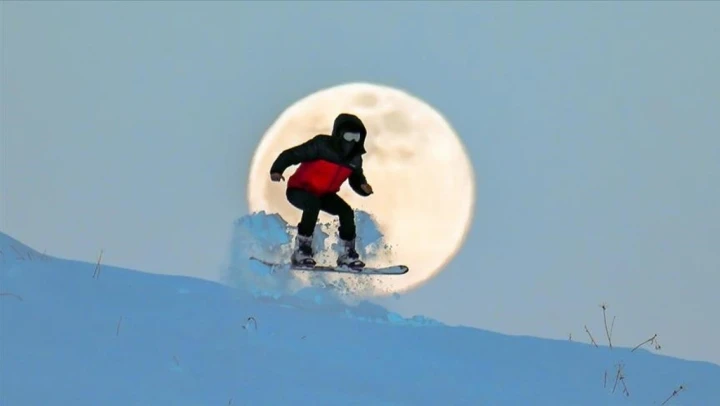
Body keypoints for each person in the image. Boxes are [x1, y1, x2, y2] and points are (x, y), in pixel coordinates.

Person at [269, 113, 374, 268]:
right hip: (299, 190)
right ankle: (302, 250)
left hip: (324, 195)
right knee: (313, 204)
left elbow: (356, 179)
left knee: (346, 212)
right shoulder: (321, 145)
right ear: (338, 134)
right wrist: (277, 169)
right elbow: (293, 154)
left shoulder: (355, 159)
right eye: (348, 136)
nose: (352, 142)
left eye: (356, 137)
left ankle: (347, 253)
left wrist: (363, 187)